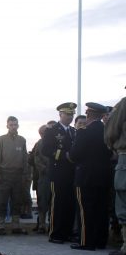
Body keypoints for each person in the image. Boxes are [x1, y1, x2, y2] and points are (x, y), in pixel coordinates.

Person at [69, 102, 113, 251]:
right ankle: (100, 240)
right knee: (101, 209)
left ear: (88, 114)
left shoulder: (84, 132)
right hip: (104, 176)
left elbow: (75, 155)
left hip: (86, 176)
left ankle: (86, 241)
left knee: (85, 210)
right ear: (101, 115)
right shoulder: (107, 131)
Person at [41, 102, 78, 244]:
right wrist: (64, 155)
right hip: (58, 171)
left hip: (72, 172)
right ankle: (55, 233)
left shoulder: (74, 131)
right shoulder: (52, 130)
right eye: (67, 114)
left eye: (71, 114)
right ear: (60, 114)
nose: (69, 117)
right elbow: (46, 150)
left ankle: (67, 232)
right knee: (58, 203)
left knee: (70, 203)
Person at [0, 116, 29, 235]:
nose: (13, 127)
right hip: (4, 175)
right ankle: (1, 225)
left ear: (18, 126)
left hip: (18, 175)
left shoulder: (22, 140)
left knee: (17, 201)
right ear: (7, 126)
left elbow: (25, 158)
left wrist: (25, 174)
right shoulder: (0, 139)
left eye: (15, 124)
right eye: (11, 125)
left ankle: (15, 225)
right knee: (2, 201)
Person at [105, 97, 126, 255]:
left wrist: (112, 147)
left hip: (124, 157)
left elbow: (111, 131)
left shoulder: (124, 104)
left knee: (123, 203)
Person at [33, 125, 51, 234]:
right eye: (44, 132)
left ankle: (51, 224)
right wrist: (45, 169)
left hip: (54, 176)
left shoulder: (54, 142)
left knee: (53, 203)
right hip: (44, 176)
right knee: (42, 202)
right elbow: (36, 159)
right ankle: (42, 225)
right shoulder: (39, 143)